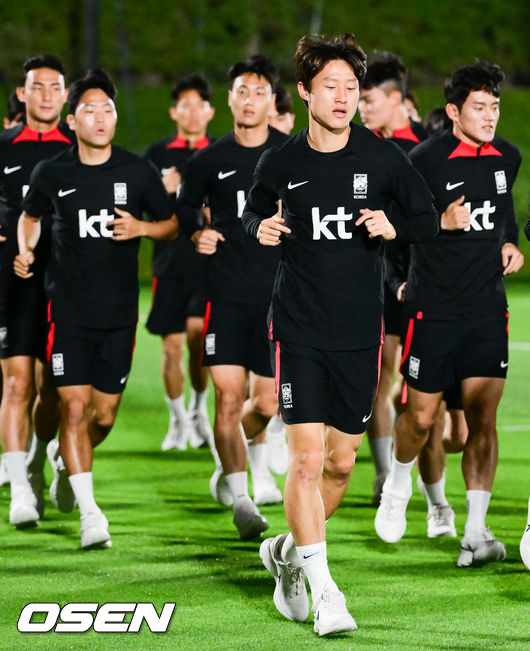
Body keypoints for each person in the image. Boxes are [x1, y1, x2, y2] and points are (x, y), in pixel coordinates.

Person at [242, 33, 438, 636]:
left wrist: (392, 224)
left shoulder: (381, 159)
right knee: (304, 460)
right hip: (298, 328)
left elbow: (427, 220)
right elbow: (251, 212)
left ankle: (287, 555)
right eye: (330, 86)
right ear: (304, 92)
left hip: (358, 331)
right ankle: (327, 591)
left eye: (352, 88)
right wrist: (260, 229)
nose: (343, 97)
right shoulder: (281, 162)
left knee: (341, 463)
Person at [14, 69, 178, 548]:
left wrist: (142, 230)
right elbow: (30, 217)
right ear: (73, 120)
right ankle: (91, 514)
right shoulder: (53, 173)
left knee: (101, 418)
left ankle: (66, 462)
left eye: (108, 108)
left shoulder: (135, 171)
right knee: (73, 406)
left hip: (119, 315)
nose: (101, 116)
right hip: (67, 311)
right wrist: (26, 250)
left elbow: (169, 223)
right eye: (90, 109)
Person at [375, 61, 524, 568]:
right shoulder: (422, 160)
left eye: (495, 107)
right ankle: (397, 483)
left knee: (483, 419)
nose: (489, 116)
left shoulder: (508, 157)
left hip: (486, 309)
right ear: (455, 111)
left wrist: (510, 243)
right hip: (432, 309)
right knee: (419, 418)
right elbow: (392, 225)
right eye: (479, 107)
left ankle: (477, 531)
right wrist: (436, 223)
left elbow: (503, 214)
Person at [178, 55, 287, 538]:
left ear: (272, 100)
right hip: (224, 295)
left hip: (277, 298)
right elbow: (184, 208)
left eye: (259, 92)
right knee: (226, 398)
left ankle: (229, 458)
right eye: (241, 91)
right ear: (229, 98)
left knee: (264, 404)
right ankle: (242, 498)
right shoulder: (208, 160)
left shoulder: (291, 155)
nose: (249, 100)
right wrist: (195, 234)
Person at [0, 55, 73, 528]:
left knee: (56, 390)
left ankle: (42, 456)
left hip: (68, 283)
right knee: (17, 382)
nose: (46, 95)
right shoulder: (3, 145)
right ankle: (20, 490)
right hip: (13, 281)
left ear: (65, 95)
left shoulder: (82, 147)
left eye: (54, 87)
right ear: (23, 94)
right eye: (37, 87)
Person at [358, 51, 428, 506]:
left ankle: (418, 473)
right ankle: (385, 476)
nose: (361, 108)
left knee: (423, 386)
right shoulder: (361, 150)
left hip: (424, 282)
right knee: (380, 377)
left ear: (397, 100)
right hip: (378, 282)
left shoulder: (426, 148)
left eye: (368, 99)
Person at [143, 73, 215, 451]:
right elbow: (137, 206)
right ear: (174, 111)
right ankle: (177, 421)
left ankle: (199, 409)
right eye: (183, 105)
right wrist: (162, 190)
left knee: (199, 340)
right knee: (171, 346)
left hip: (207, 264)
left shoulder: (218, 152)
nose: (191, 112)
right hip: (168, 264)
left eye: (198, 105)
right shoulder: (156, 156)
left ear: (211, 111)